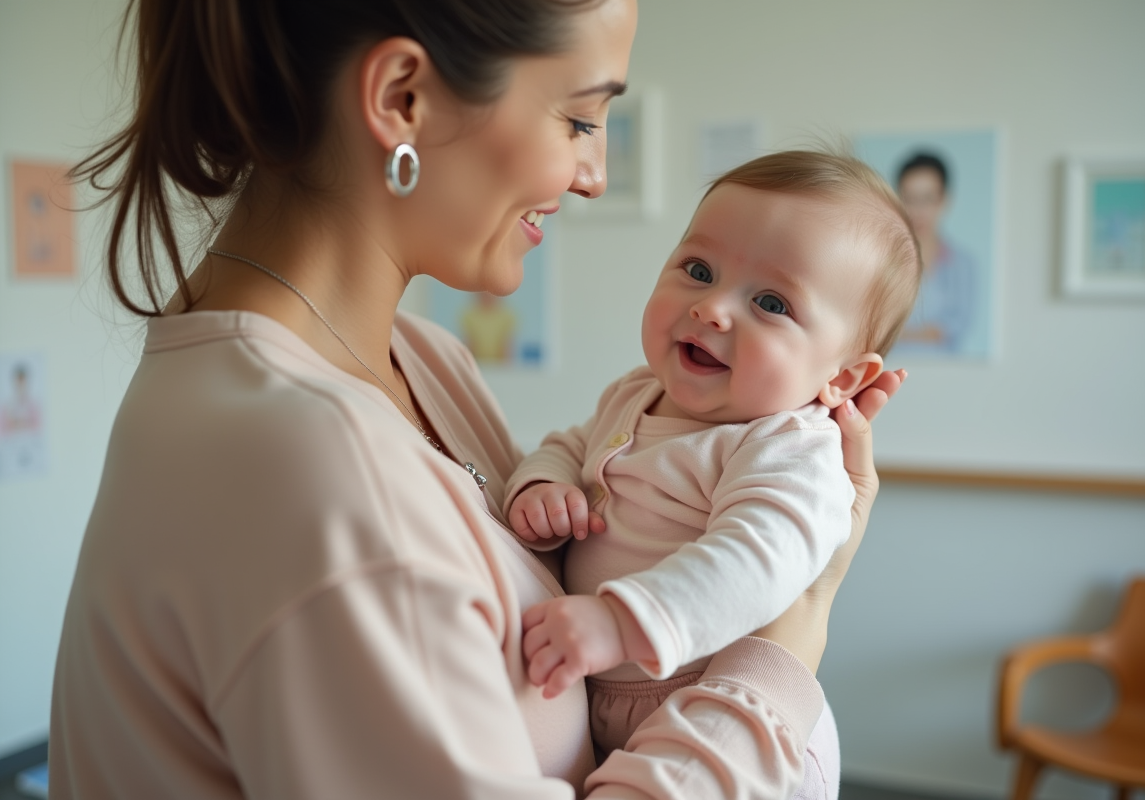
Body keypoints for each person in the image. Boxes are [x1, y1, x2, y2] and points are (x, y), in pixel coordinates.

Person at [49, 1, 904, 798]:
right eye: (578, 117)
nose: (595, 174)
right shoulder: (318, 469)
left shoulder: (418, 359)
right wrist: (789, 646)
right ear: (402, 98)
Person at [504, 152, 920, 769]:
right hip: (612, 697)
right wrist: (546, 481)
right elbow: (571, 442)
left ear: (843, 377)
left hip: (732, 716)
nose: (712, 308)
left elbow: (759, 558)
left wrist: (623, 623)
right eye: (698, 269)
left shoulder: (789, 447)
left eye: (772, 304)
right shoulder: (637, 390)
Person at [894, 152, 979, 354]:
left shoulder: (963, 263)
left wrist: (903, 334)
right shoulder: (881, 261)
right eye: (910, 199)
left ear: (943, 200)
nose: (918, 210)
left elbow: (956, 327)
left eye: (927, 199)